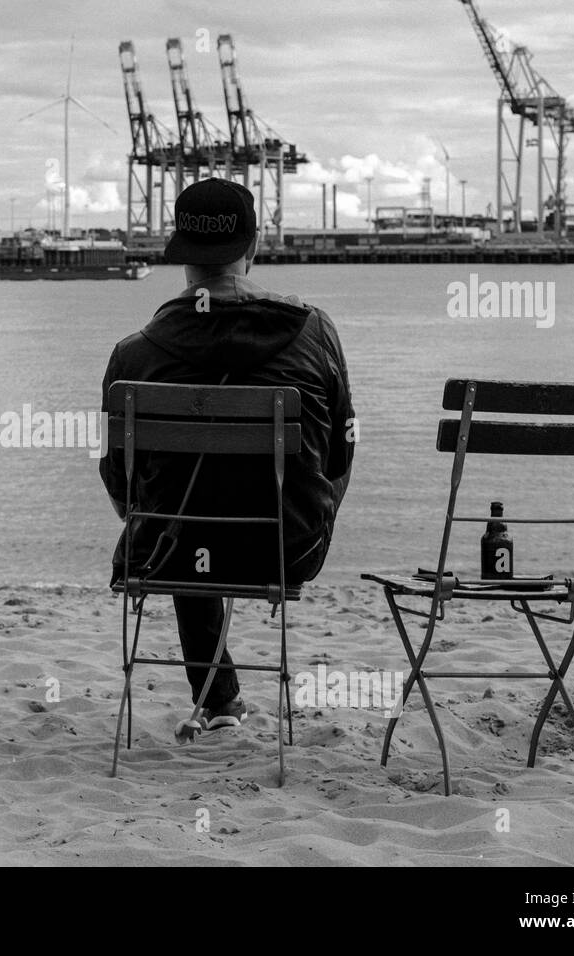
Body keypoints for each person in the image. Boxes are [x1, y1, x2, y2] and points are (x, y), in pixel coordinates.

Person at [99, 178, 355, 731]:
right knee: (205, 512)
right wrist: (316, 512)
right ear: (254, 243)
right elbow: (340, 450)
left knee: (181, 516)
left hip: (165, 550)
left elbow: (116, 474)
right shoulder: (314, 331)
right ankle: (219, 698)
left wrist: (144, 517)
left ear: (179, 254)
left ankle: (217, 701)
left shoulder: (130, 356)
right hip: (287, 548)